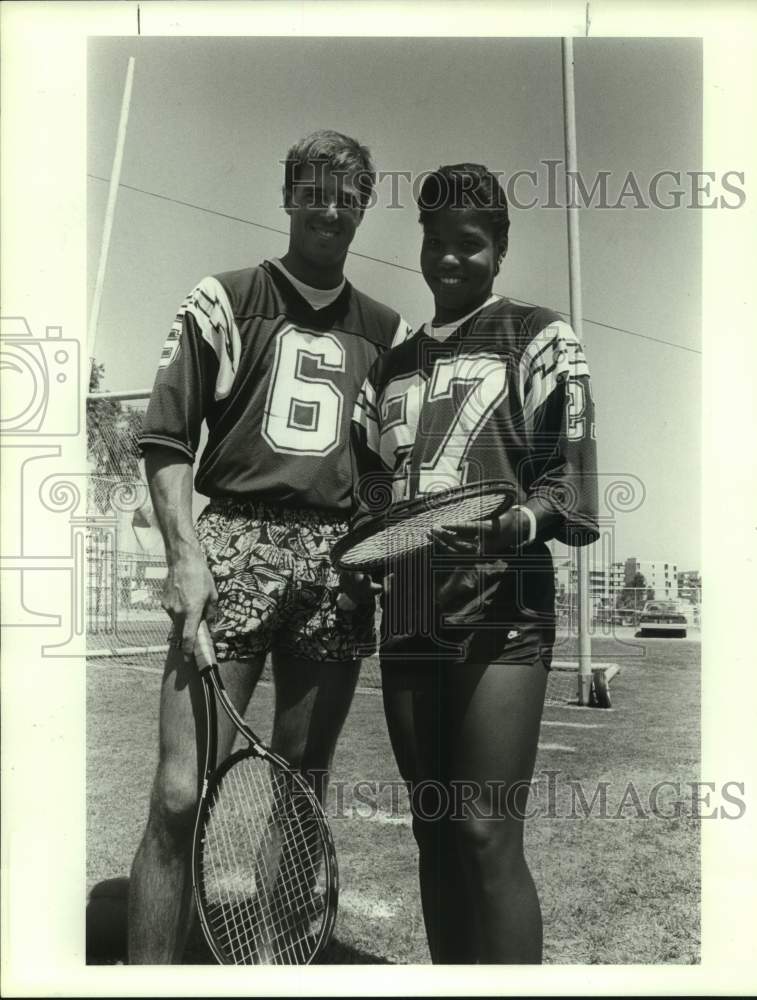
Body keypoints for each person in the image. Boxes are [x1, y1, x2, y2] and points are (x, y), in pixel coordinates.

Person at [128, 129, 409, 963]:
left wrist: (374, 558)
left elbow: (386, 469)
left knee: (300, 788)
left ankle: (276, 970)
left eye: (350, 192)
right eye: (316, 189)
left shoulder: (387, 332)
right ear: (288, 193)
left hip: (335, 561)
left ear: (365, 205)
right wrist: (186, 559)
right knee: (181, 794)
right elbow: (167, 439)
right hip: (236, 540)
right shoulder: (225, 296)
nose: (331, 207)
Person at [346, 164, 599, 963]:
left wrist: (519, 521)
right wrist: (361, 551)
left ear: (500, 249)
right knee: (433, 831)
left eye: (472, 245)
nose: (452, 260)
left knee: (485, 831)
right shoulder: (389, 368)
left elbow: (574, 480)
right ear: (420, 243)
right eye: (438, 242)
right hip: (412, 615)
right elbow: (369, 495)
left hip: (503, 609)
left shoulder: (540, 334)